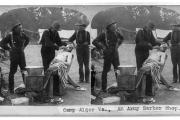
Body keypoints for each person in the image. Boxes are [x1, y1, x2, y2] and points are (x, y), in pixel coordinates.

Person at [92, 21, 124, 92]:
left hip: (115, 55)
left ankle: (120, 86)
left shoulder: (116, 33)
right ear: (109, 27)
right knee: (105, 71)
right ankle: (104, 88)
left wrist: (118, 44)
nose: (115, 27)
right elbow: (94, 41)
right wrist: (103, 47)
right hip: (108, 55)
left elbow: (122, 38)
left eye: (115, 25)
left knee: (117, 70)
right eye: (113, 26)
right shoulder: (104, 34)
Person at [0, 23, 30, 93]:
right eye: (19, 28)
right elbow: (1, 43)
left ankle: (26, 88)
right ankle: (11, 90)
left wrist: (24, 46)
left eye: (21, 28)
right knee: (12, 72)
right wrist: (8, 48)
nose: (21, 30)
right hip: (14, 56)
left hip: (22, 55)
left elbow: (28, 39)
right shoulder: (10, 35)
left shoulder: (22, 34)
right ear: (15, 29)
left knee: (24, 71)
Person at [135, 21, 161, 96]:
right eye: (150, 28)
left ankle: (148, 91)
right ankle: (139, 91)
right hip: (139, 53)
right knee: (141, 71)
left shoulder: (149, 32)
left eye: (152, 29)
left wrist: (160, 43)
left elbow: (153, 41)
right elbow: (140, 43)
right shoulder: (140, 32)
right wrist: (151, 46)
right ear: (146, 26)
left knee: (148, 70)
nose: (151, 30)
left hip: (146, 53)